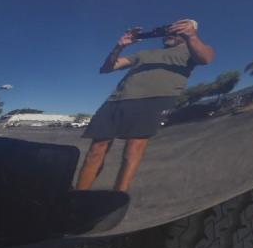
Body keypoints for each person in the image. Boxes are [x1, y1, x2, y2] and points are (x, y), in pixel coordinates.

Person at [75, 18, 215, 193]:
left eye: (179, 27)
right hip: (116, 100)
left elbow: (206, 58)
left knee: (133, 150)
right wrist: (120, 46)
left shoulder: (192, 50)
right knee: (96, 149)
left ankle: (118, 198)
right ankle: (78, 195)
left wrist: (191, 36)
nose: (172, 31)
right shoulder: (145, 53)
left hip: (153, 100)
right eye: (172, 27)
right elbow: (107, 69)